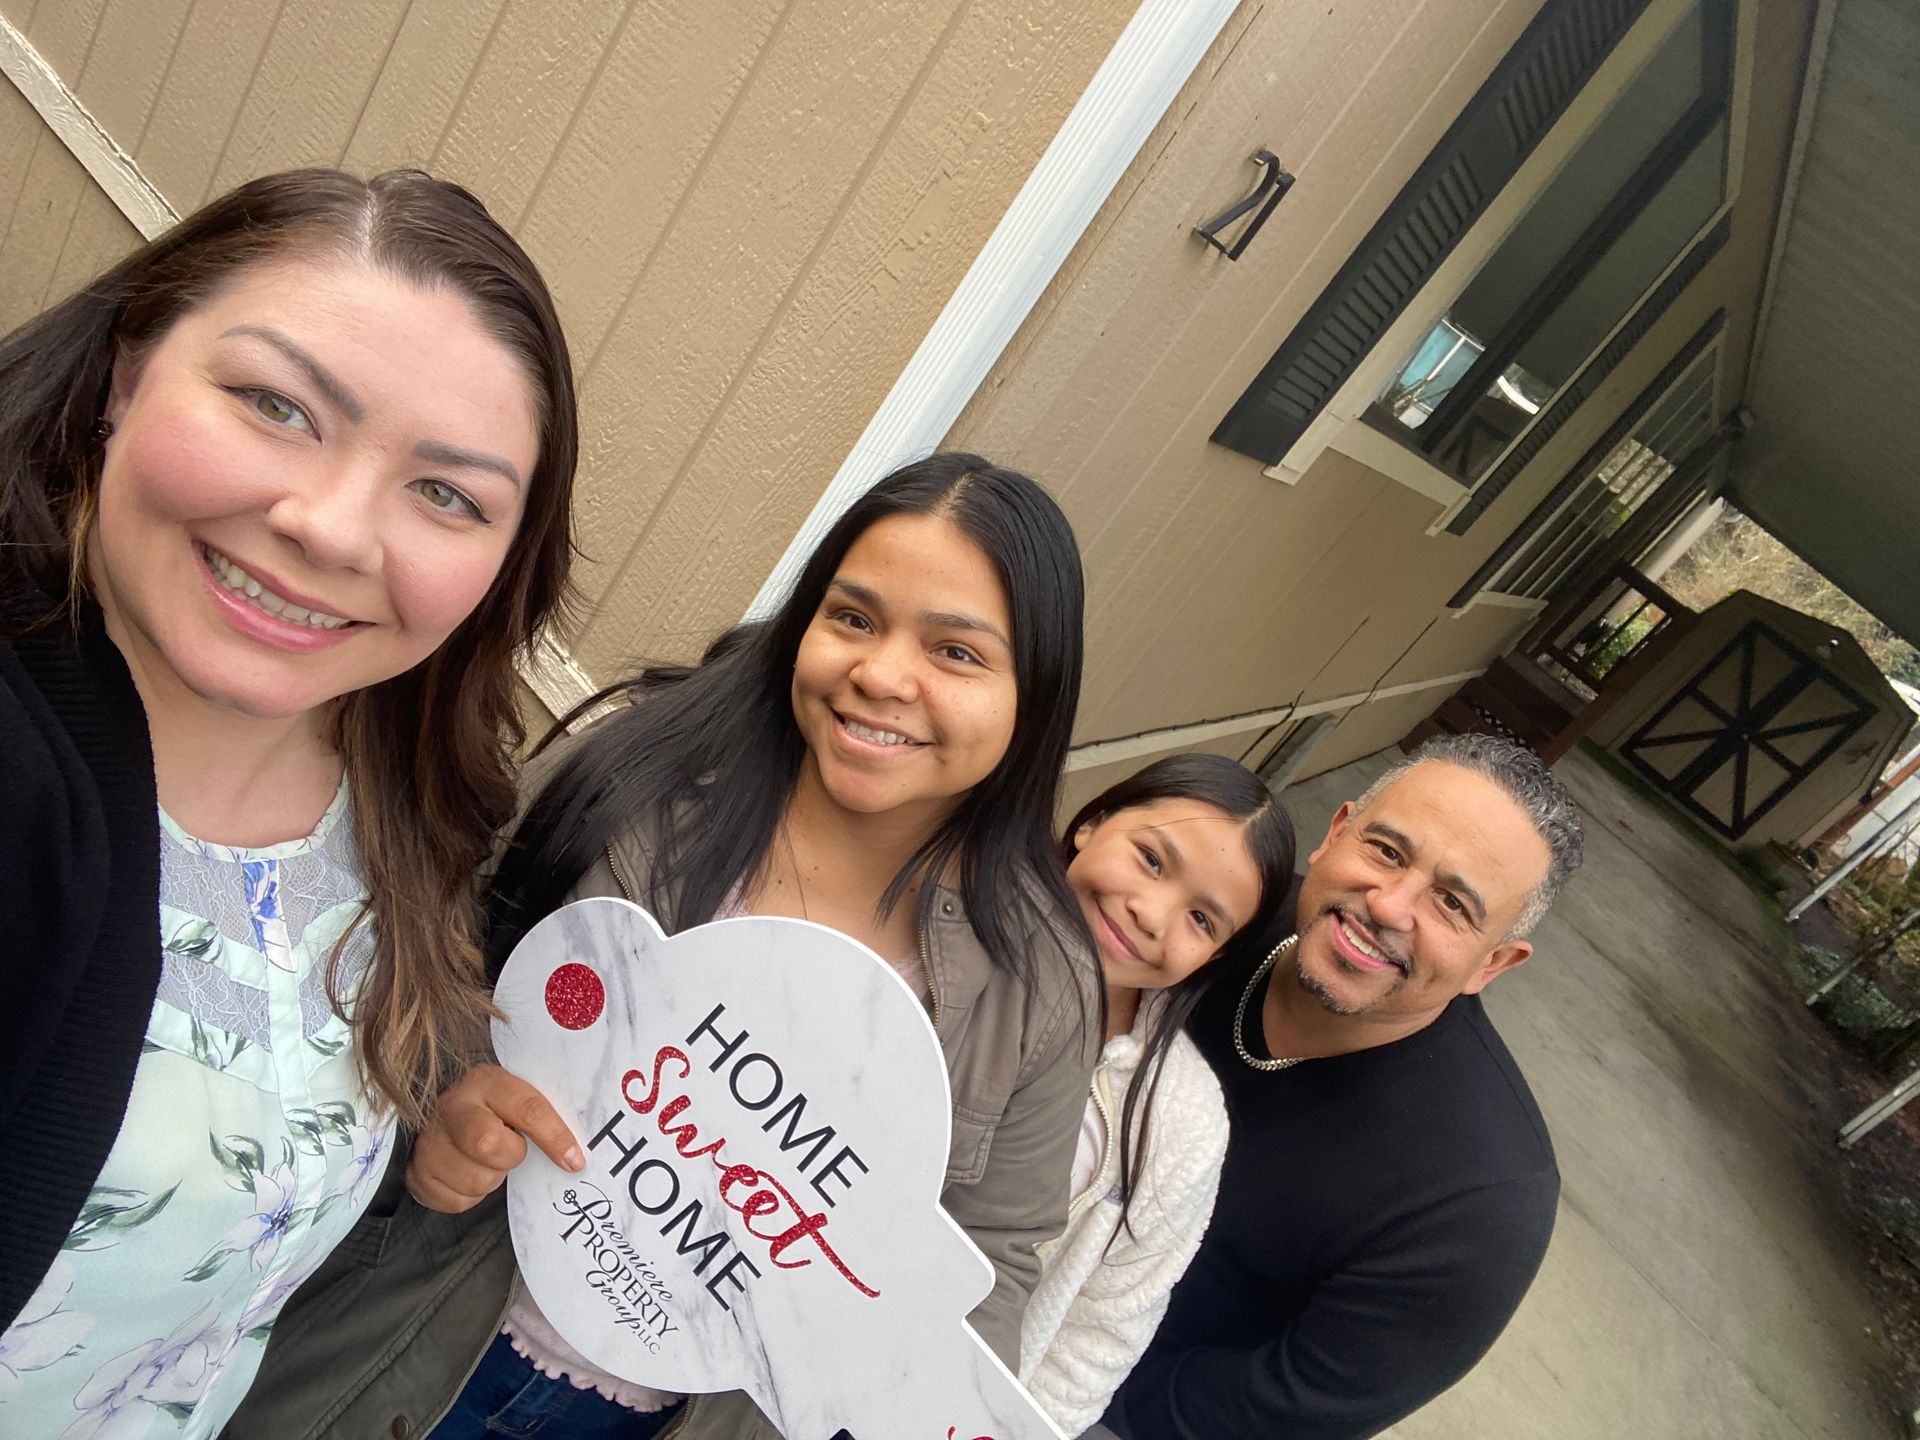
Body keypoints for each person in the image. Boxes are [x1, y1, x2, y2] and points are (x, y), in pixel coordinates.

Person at [226, 452, 1102, 1440]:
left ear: (1035, 695)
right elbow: (424, 943)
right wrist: (449, 1091)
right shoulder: (642, 770)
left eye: (956, 653)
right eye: (853, 618)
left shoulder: (1041, 986)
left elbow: (987, 1267)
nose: (882, 674)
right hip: (406, 1341)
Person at [0, 168, 578, 1435]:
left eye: (446, 494)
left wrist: (432, 1113)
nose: (328, 526)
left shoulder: (401, 794)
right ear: (125, 367)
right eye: (275, 404)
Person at [1102, 732, 1582, 1440]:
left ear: (1494, 964)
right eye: (1386, 851)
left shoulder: (1481, 1202)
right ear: (1334, 834)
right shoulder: (1214, 917)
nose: (1389, 906)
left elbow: (1284, 1410)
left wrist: (1050, 1390)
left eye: (1452, 904)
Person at [1020, 753, 1294, 1434]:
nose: (1152, 914)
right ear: (1094, 822)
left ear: (1217, 956)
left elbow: (1098, 1336)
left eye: (1203, 920)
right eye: (1151, 859)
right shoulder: (943, 911)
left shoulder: (1183, 1123)